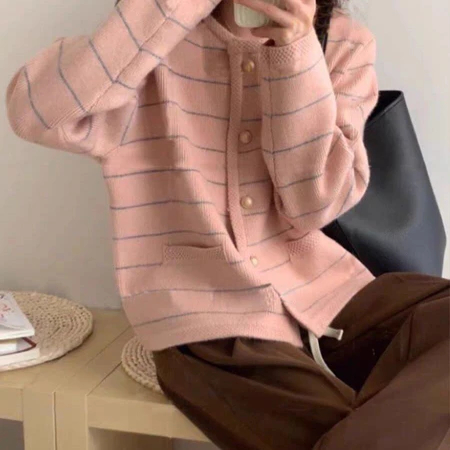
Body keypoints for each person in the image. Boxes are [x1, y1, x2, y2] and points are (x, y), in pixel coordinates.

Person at [5, 0, 449, 448]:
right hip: (206, 316)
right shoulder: (148, 40)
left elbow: (313, 206)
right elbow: (34, 112)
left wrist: (295, 55)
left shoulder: (343, 43)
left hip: (329, 292)